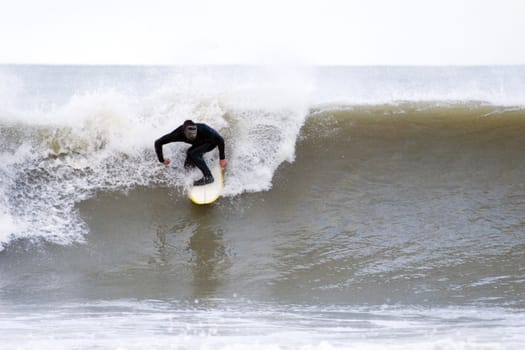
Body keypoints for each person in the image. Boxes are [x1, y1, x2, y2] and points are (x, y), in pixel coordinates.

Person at [154, 120, 228, 186]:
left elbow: (220, 139)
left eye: (194, 133)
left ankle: (208, 177)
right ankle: (198, 162)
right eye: (190, 134)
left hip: (211, 142)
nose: (192, 136)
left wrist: (222, 158)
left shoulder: (203, 128)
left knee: (193, 153)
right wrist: (162, 160)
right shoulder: (177, 134)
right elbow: (158, 142)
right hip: (199, 144)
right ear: (184, 131)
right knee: (187, 165)